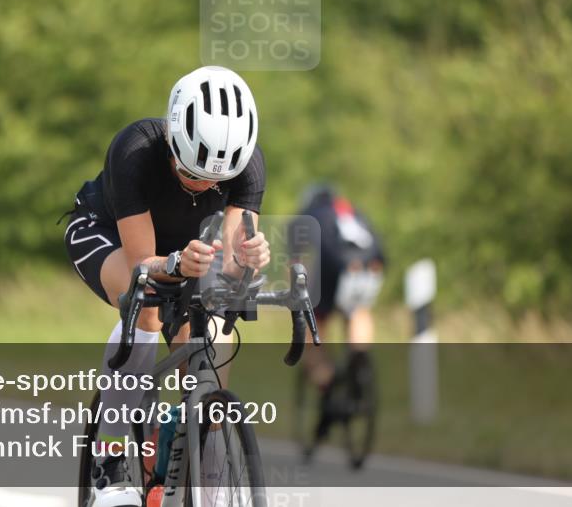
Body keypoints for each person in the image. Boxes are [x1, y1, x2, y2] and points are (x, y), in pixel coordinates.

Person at [63, 66, 271, 507]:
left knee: (210, 336)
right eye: (192, 173)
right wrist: (178, 263)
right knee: (147, 307)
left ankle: (204, 463)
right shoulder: (135, 149)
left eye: (214, 181)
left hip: (188, 248)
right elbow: (144, 263)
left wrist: (249, 258)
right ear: (173, 144)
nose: (202, 186)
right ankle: (112, 462)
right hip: (110, 234)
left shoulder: (248, 166)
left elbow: (227, 266)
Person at [289, 185, 385, 390]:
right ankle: (359, 357)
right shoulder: (351, 210)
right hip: (371, 265)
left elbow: (295, 261)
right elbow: (377, 243)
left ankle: (325, 380)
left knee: (314, 320)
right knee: (359, 311)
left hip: (335, 264)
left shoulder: (308, 213)